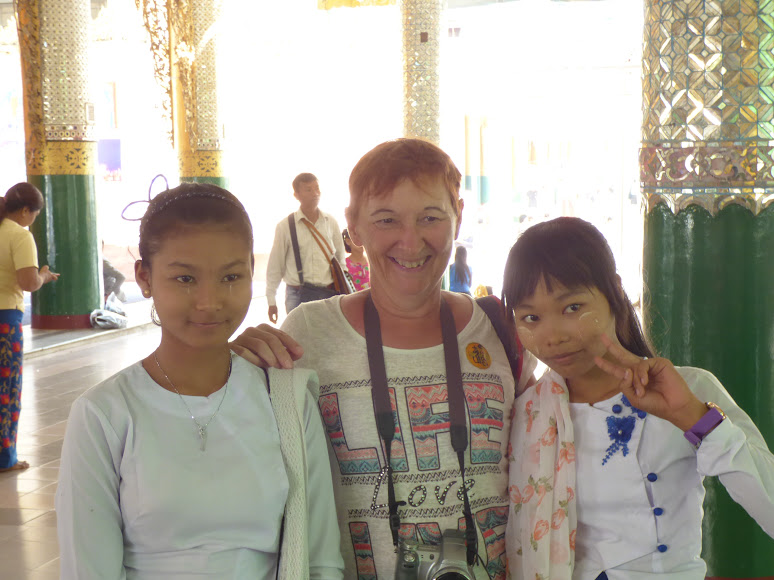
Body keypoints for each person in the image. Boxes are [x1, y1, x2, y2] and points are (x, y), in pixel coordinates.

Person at [233, 138, 537, 580]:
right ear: (354, 226)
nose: (410, 241)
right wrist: (231, 368)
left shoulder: (500, 330)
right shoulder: (308, 334)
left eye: (431, 217)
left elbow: (550, 451)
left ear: (458, 216)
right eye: (386, 219)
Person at [56, 183, 344, 579]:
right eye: (185, 279)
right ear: (144, 277)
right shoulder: (103, 414)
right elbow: (88, 570)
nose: (210, 301)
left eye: (231, 276)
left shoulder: (287, 402)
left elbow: (321, 560)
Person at [502, 217, 774, 580]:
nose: (552, 336)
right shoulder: (527, 413)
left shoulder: (691, 388)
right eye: (531, 317)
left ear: (614, 291)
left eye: (572, 307)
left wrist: (694, 418)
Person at [0, 183, 59, 473]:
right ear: (26, 210)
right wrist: (44, 277)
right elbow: (27, 282)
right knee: (6, 389)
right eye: (35, 213)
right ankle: (4, 458)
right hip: (4, 320)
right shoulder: (19, 236)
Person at [265, 173, 346, 323]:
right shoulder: (285, 226)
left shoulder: (330, 222)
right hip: (297, 295)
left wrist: (343, 289)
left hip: (328, 294)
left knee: (327, 340)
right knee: (299, 341)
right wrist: (271, 300)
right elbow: (276, 266)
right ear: (296, 195)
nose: (315, 193)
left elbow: (341, 258)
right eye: (308, 190)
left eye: (317, 188)